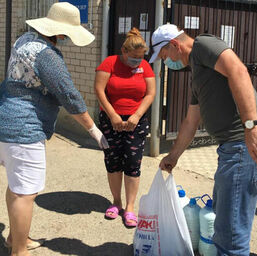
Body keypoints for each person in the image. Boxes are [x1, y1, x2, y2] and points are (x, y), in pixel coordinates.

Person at [151, 24, 257, 255]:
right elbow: (191, 121)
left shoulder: (203, 45)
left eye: (164, 55)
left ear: (174, 45)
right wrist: (173, 156)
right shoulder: (198, 74)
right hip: (233, 150)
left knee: (231, 237)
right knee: (224, 226)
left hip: (244, 147)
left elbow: (238, 71)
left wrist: (250, 125)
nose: (166, 62)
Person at [0, 3, 108, 256]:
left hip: (5, 120)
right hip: (26, 128)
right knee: (26, 192)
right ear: (60, 32)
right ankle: (19, 250)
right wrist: (94, 130)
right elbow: (68, 94)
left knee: (17, 186)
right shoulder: (47, 55)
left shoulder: (24, 40)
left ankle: (15, 239)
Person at [94, 28, 155, 227]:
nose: (138, 60)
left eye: (141, 56)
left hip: (136, 122)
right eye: (134, 56)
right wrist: (112, 115)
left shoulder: (145, 66)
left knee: (132, 162)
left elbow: (150, 93)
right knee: (113, 160)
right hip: (111, 120)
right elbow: (99, 90)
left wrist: (137, 116)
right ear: (124, 51)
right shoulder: (109, 63)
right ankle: (116, 202)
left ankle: (129, 207)